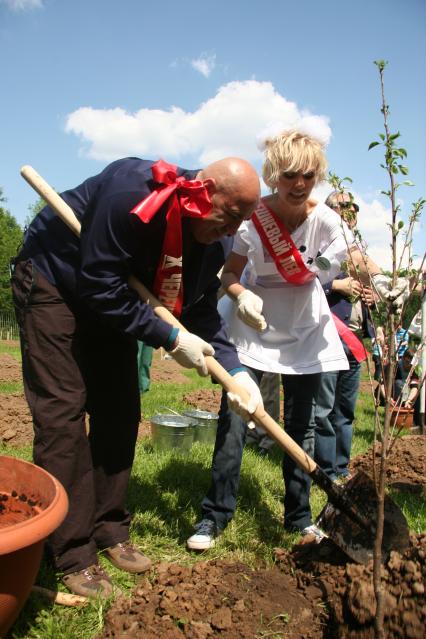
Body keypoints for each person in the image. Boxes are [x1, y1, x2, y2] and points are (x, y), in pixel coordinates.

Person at [11, 156, 262, 597]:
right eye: (231, 217)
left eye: (241, 223)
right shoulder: (132, 192)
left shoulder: (214, 242)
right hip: (56, 279)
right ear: (205, 191)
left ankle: (108, 527)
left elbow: (200, 307)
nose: (231, 231)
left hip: (113, 298)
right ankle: (71, 551)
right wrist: (167, 336)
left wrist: (237, 372)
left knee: (120, 410)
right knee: (63, 415)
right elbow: (97, 285)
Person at [186, 128, 352, 552]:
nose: (299, 184)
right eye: (290, 174)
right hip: (254, 328)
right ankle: (215, 514)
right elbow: (228, 275)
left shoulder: (329, 223)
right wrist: (241, 298)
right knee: (236, 420)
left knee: (302, 425)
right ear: (274, 173)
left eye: (309, 175)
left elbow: (329, 270)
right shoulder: (254, 218)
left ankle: (297, 517)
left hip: (305, 330)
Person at [314, 191, 375, 481]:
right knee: (324, 407)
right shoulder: (320, 246)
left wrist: (374, 326)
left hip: (353, 341)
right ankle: (325, 470)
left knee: (346, 410)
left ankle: (341, 467)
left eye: (354, 207)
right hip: (327, 336)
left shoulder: (357, 251)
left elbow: (366, 294)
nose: (349, 212)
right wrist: (336, 285)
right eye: (342, 207)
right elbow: (304, 282)